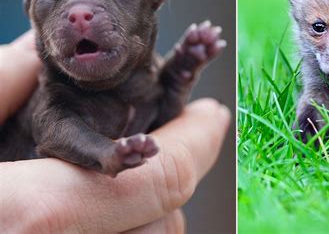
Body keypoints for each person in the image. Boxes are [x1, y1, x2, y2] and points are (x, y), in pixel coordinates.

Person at [0, 30, 231, 233]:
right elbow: (54, 129)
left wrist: (177, 75)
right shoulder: (55, 92)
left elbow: (157, 115)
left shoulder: (139, 77)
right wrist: (108, 153)